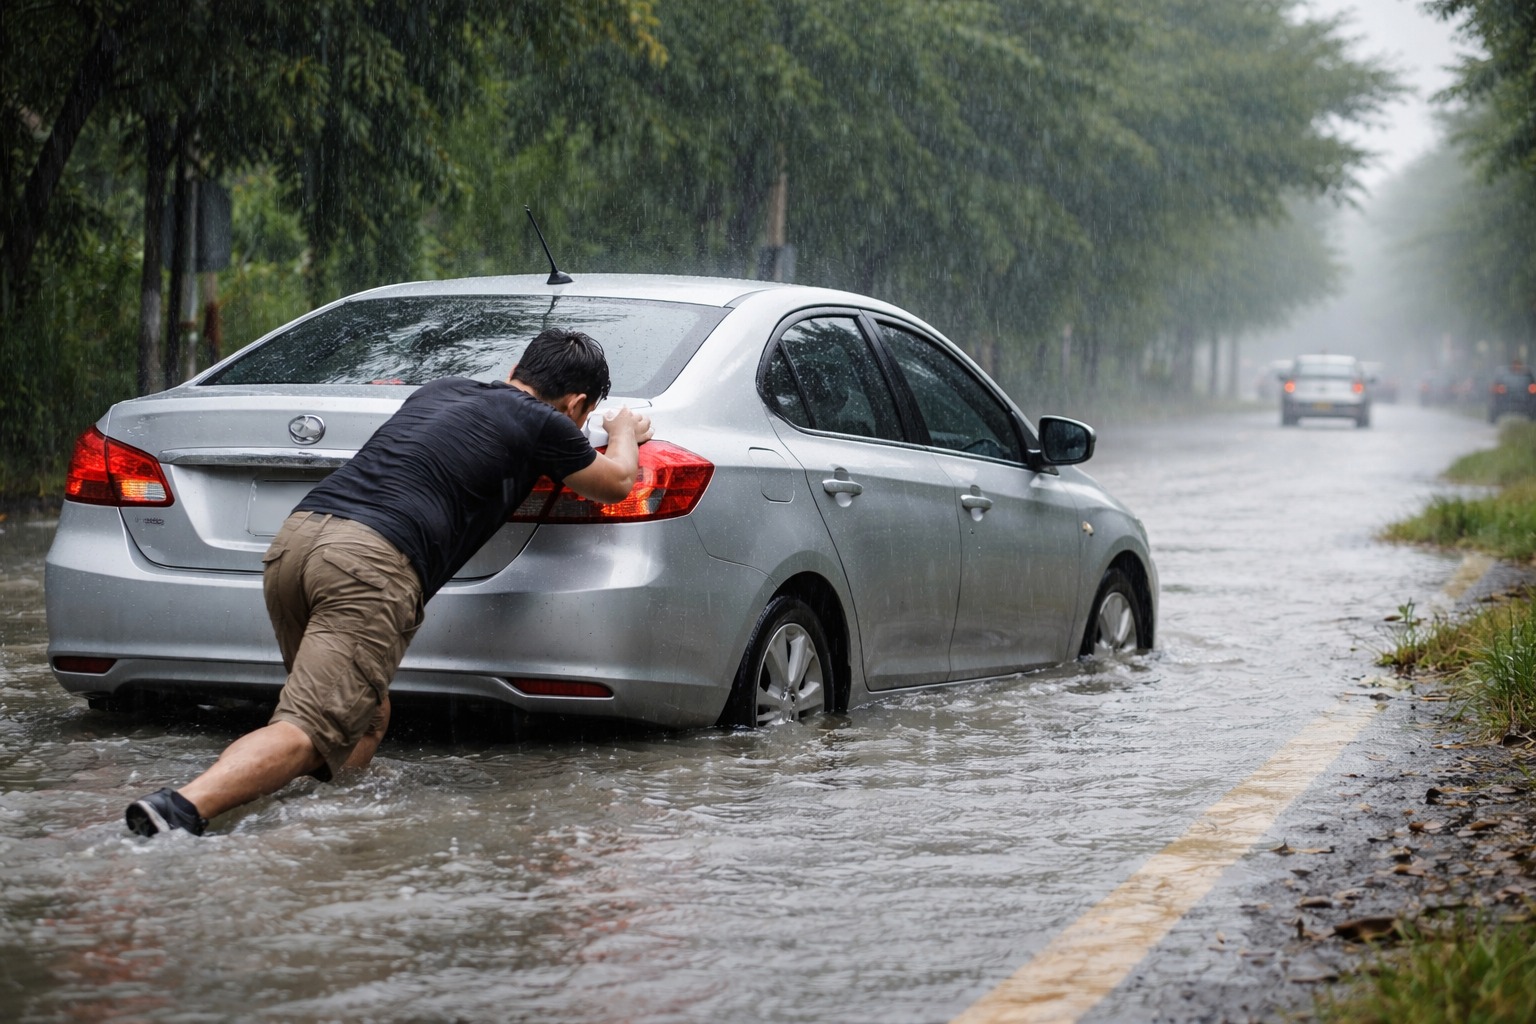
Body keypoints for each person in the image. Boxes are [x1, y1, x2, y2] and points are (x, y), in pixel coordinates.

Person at [125, 327, 652, 837]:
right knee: (311, 728)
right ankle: (180, 809)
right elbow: (618, 483)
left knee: (367, 715)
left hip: (297, 542)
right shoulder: (546, 423)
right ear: (576, 404)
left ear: (515, 369)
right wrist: (623, 431)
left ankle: (316, 825)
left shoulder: (441, 390)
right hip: (370, 563)